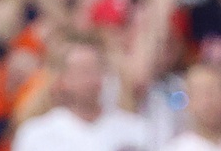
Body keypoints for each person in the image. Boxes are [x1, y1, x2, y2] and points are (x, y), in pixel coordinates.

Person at [9, 37, 150, 151]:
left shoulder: (135, 129)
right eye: (83, 71)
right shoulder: (36, 134)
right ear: (61, 81)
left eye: (97, 69)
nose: (92, 79)